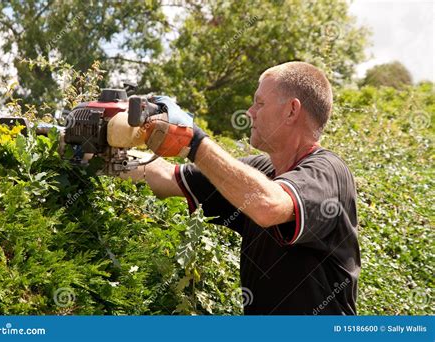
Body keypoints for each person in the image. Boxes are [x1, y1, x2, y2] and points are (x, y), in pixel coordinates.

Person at [120, 61, 360, 315]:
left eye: (260, 103)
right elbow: (166, 176)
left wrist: (194, 143)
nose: (249, 112)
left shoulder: (329, 172)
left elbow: (268, 206)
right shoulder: (262, 172)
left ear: (291, 111)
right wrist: (102, 153)